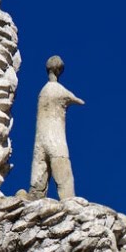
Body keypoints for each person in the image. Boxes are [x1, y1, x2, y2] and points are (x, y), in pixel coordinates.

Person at [29, 56, 84, 200]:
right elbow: (78, 101)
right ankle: (68, 200)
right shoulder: (60, 90)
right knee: (62, 169)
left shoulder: (43, 91)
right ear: (59, 70)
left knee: (40, 170)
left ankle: (35, 196)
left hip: (40, 139)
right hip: (56, 138)